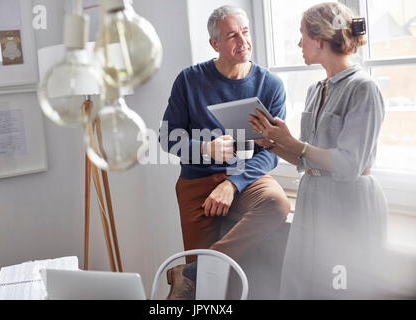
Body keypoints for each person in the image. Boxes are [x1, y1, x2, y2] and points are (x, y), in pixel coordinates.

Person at [249, 2, 388, 299]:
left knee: (342, 289)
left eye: (302, 35)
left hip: (348, 204)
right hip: (313, 199)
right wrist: (273, 141)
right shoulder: (315, 90)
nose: (299, 43)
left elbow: (348, 164)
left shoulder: (363, 88)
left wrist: (294, 143)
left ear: (320, 38)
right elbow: (306, 160)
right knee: (303, 287)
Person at [160, 5, 290, 299]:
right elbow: (167, 138)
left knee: (276, 204)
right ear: (214, 44)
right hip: (196, 184)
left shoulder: (270, 85)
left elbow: (271, 153)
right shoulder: (189, 80)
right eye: (232, 35)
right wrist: (205, 149)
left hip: (246, 178)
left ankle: (191, 271)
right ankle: (200, 274)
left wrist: (233, 184)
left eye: (245, 32)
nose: (243, 42)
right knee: (208, 292)